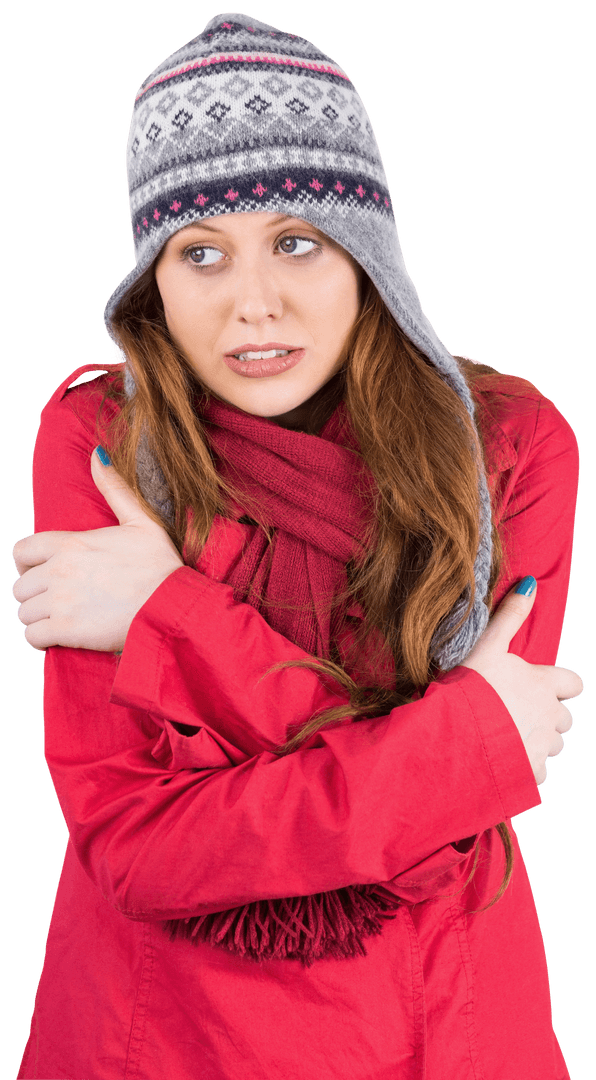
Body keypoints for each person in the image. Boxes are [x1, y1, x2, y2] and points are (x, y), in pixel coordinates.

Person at [11, 11, 584, 1080]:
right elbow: (135, 844)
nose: (252, 304)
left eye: (295, 240)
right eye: (200, 254)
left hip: (445, 1026)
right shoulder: (102, 441)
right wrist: (448, 743)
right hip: (167, 1038)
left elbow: (451, 833)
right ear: (152, 281)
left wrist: (167, 615)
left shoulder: (509, 448)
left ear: (364, 249)